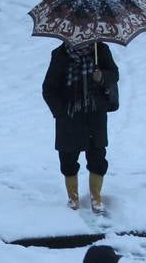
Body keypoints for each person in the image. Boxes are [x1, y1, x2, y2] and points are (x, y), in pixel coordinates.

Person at [41, 40, 119, 214]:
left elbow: (114, 74)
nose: (82, 38)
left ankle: (95, 196)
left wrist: (102, 77)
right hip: (69, 116)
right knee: (68, 158)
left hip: (95, 113)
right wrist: (61, 112)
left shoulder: (101, 50)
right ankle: (73, 197)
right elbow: (49, 88)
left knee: (98, 156)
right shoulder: (60, 55)